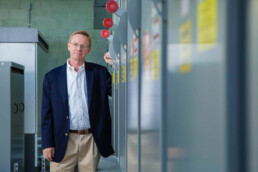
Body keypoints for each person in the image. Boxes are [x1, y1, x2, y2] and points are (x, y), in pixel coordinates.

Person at [41, 30, 114, 172]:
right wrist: (47, 144)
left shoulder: (100, 73)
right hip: (62, 140)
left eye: (83, 46)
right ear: (68, 46)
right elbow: (46, 114)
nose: (78, 49)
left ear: (89, 50)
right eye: (75, 44)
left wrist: (115, 65)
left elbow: (118, 91)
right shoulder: (52, 77)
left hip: (91, 140)